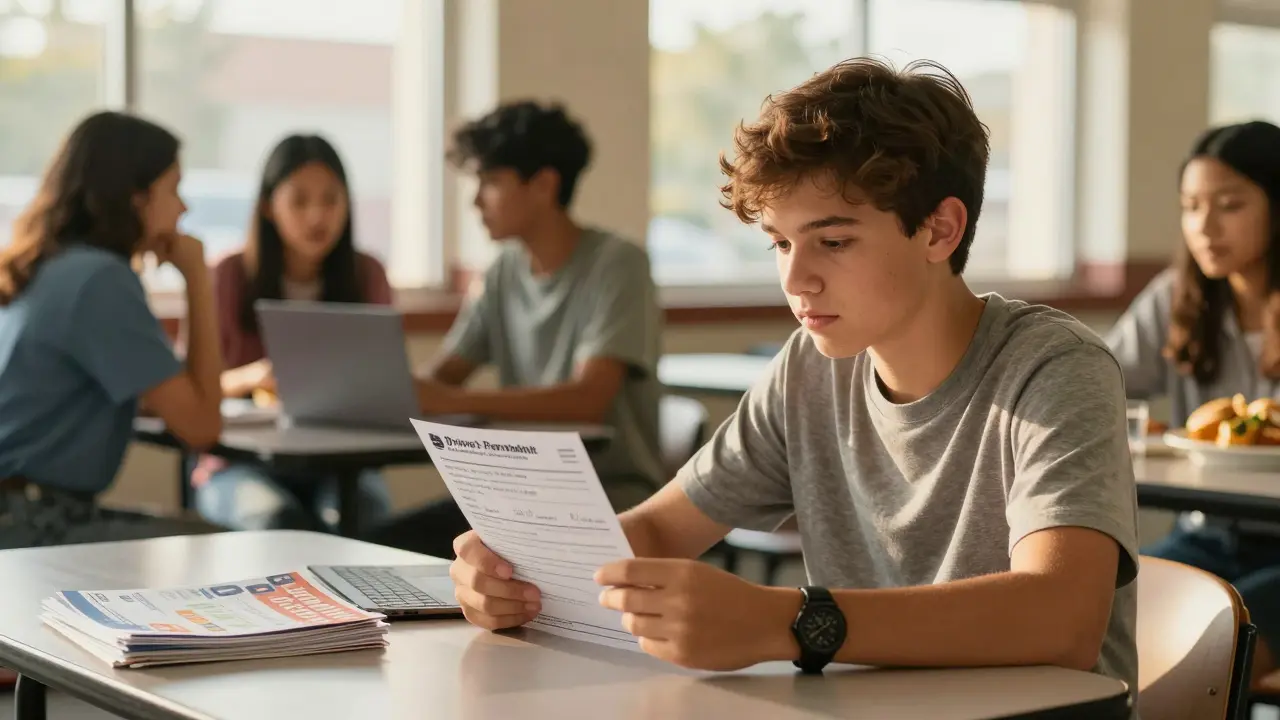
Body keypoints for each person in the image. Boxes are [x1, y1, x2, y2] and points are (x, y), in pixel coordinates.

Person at [445, 58, 1140, 703]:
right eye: (780, 242)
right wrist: (522, 572)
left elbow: (1062, 618)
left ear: (940, 230)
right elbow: (657, 530)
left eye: (833, 242)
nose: (796, 279)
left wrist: (789, 622)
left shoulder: (1054, 368)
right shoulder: (809, 369)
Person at [368, 101, 663, 559]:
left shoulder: (618, 265)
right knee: (376, 547)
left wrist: (455, 402)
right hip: (520, 495)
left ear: (544, 184)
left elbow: (588, 398)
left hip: (608, 497)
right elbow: (442, 378)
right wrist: (374, 388)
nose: (475, 202)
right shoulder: (503, 271)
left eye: (490, 182)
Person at [0, 111, 224, 549]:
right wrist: (197, 278)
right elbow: (201, 427)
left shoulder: (52, 264)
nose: (185, 208)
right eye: (174, 189)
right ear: (136, 199)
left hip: (20, 511)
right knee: (223, 549)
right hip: (32, 522)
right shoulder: (101, 281)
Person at [1108, 119, 1280, 683]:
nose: (1204, 227)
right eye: (1190, 206)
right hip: (1206, 533)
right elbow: (1097, 378)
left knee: (1208, 658)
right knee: (1099, 625)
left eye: (1229, 205)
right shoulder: (1175, 297)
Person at [192, 134, 394, 532]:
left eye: (331, 200)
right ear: (269, 206)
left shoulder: (366, 274)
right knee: (273, 518)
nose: (317, 216)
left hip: (343, 463)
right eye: (300, 201)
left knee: (365, 518)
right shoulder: (229, 276)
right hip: (239, 463)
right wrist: (254, 376)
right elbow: (194, 386)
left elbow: (385, 383)